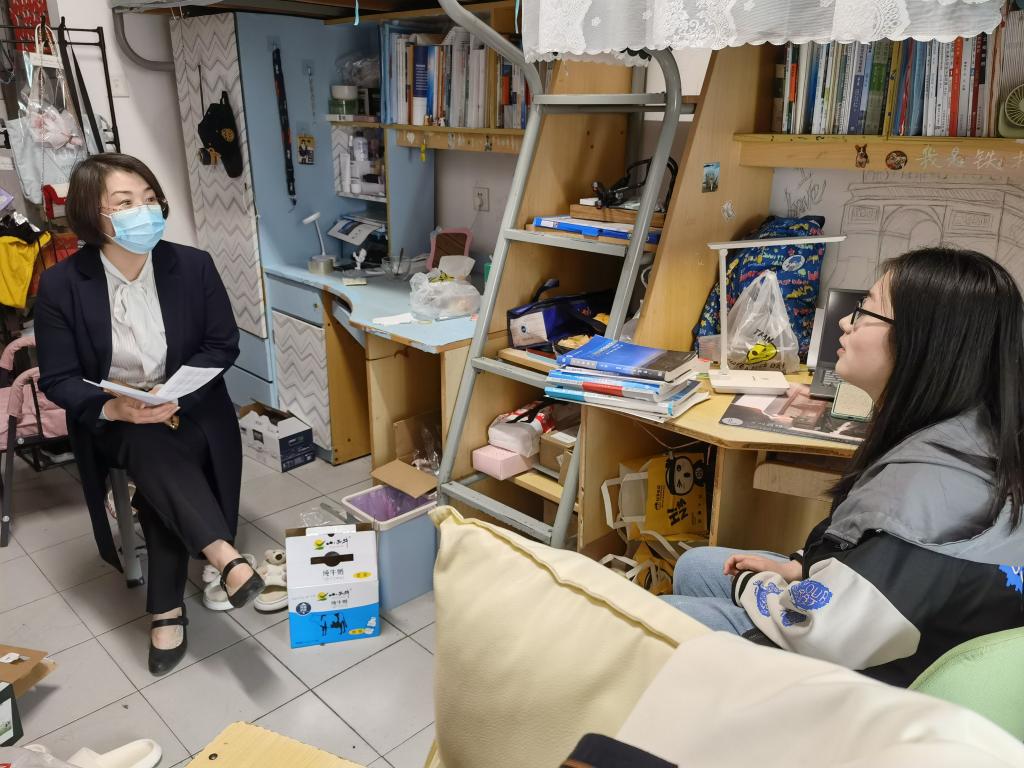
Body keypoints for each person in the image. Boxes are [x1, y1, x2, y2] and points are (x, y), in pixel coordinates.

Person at [663, 247, 1024, 687]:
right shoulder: (973, 435)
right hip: (895, 624)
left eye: (866, 311)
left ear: (923, 341)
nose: (846, 323)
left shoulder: (922, 492)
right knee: (696, 565)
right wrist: (802, 567)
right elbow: (872, 555)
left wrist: (753, 588)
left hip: (874, 681)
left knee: (663, 620)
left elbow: (819, 631)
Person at [35, 153, 264, 676]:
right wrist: (114, 405)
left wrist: (176, 395)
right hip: (115, 417)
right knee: (146, 442)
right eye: (125, 203)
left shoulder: (192, 265)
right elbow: (59, 378)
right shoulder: (62, 286)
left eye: (149, 198)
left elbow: (221, 345)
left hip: (192, 403)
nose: (145, 210)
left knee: (159, 462)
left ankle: (167, 609)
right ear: (93, 214)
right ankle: (223, 555)